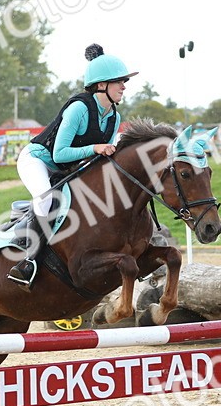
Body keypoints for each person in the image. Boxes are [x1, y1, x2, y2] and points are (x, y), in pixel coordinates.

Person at [7, 43, 136, 289]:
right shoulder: (79, 108)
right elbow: (60, 153)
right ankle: (28, 261)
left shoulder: (114, 116)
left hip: (66, 169)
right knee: (46, 198)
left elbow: (100, 158)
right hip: (39, 160)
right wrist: (95, 148)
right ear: (101, 85)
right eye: (119, 81)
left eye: (124, 82)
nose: (124, 86)